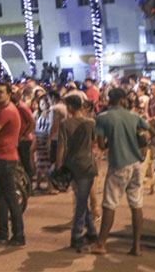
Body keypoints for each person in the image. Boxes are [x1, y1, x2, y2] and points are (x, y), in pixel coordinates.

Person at [90, 87, 150, 256]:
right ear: (123, 100)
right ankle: (136, 246)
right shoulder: (134, 115)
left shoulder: (103, 117)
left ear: (109, 100)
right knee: (136, 205)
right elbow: (148, 129)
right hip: (136, 164)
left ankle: (101, 243)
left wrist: (111, 143)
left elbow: (101, 144)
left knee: (109, 204)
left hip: (119, 164)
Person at [55, 94, 98, 251]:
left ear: (71, 107)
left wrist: (59, 165)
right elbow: (94, 143)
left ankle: (77, 234)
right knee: (82, 199)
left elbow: (61, 146)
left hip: (71, 165)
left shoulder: (65, 124)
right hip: (87, 164)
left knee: (80, 200)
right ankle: (92, 232)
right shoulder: (91, 123)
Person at [0, 82, 25, 246]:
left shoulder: (6, 111)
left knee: (9, 197)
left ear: (9, 94)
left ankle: (18, 234)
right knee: (1, 197)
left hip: (4, 158)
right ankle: (3, 232)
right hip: (3, 157)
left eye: (1, 92)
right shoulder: (6, 111)